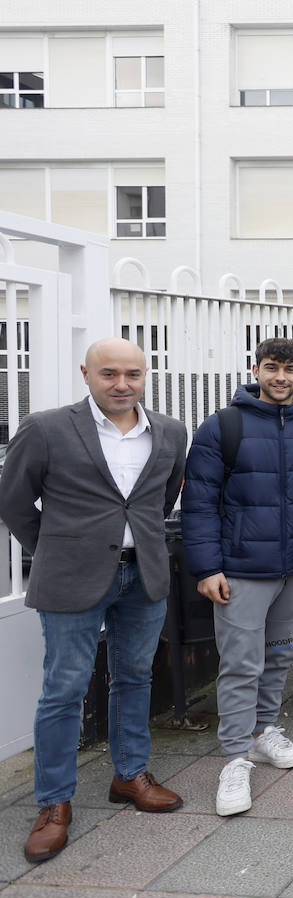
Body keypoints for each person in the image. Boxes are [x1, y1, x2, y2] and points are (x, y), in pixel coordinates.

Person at [0, 339, 188, 863]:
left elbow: (161, 499)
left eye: (133, 373)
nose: (122, 384)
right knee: (63, 690)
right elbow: (13, 501)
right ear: (86, 373)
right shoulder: (47, 428)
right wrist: (58, 551)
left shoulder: (171, 431)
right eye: (109, 374)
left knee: (135, 677)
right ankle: (54, 802)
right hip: (72, 581)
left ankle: (130, 775)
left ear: (146, 375)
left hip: (143, 577)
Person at [182, 338, 293, 816]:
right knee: (240, 663)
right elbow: (200, 503)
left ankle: (263, 729)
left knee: (278, 656)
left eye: (290, 370)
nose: (281, 378)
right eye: (272, 368)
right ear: (256, 369)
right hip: (241, 571)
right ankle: (234, 757)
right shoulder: (222, 427)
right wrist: (207, 567)